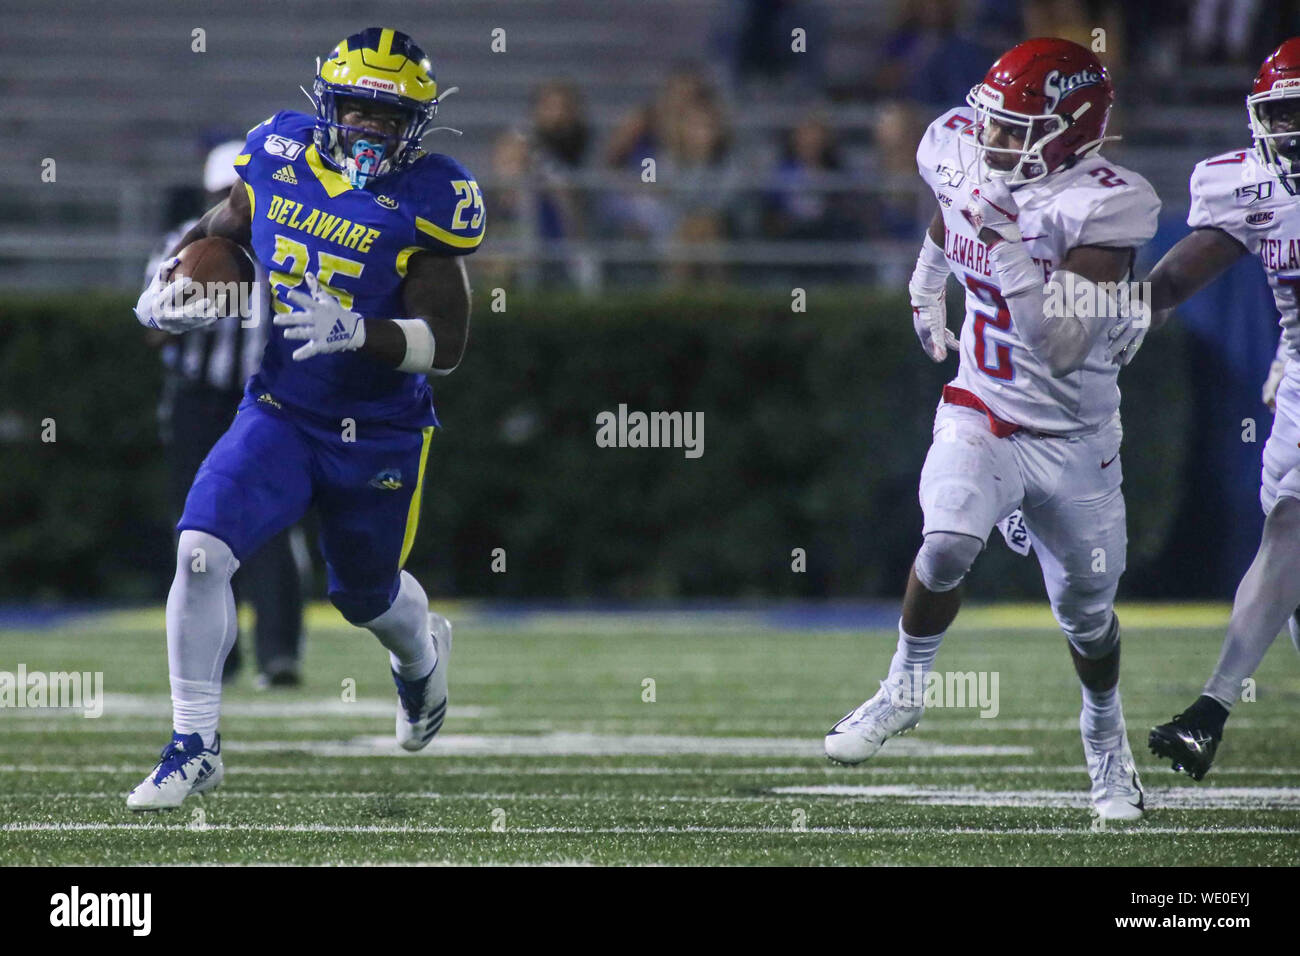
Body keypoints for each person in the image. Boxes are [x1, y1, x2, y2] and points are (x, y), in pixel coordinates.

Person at [126, 27, 483, 809]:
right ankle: (194, 743)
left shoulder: (432, 196)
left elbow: (448, 344)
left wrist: (361, 333)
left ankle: (421, 662)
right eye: (356, 109)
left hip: (379, 429)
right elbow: (225, 233)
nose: (369, 129)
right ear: (326, 105)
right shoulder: (277, 155)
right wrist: (175, 282)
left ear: (415, 124)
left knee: (366, 598)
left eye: (389, 117)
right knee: (198, 551)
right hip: (283, 409)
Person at [823, 38, 1160, 822]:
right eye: (994, 123)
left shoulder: (1107, 202)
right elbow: (953, 210)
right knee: (944, 540)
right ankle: (903, 688)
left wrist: (1006, 245)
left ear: (1072, 131)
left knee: (1087, 613)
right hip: (982, 404)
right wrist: (928, 277)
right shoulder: (959, 144)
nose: (995, 141)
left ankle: (1106, 746)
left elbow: (1062, 343)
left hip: (1076, 433)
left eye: (1017, 129)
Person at [1138, 39, 1300, 780]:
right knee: (1289, 542)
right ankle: (1211, 711)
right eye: (1284, 113)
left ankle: (1211, 708)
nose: (1294, 129)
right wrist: (1110, 319)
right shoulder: (1250, 186)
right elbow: (1169, 285)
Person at [145, 140, 305, 689]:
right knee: (199, 527)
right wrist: (170, 305)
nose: (225, 204)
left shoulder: (293, 240)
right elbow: (152, 328)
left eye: (232, 193)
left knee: (270, 524)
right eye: (218, 193)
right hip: (200, 398)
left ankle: (278, 653)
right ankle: (219, 654)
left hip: (265, 399)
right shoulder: (183, 243)